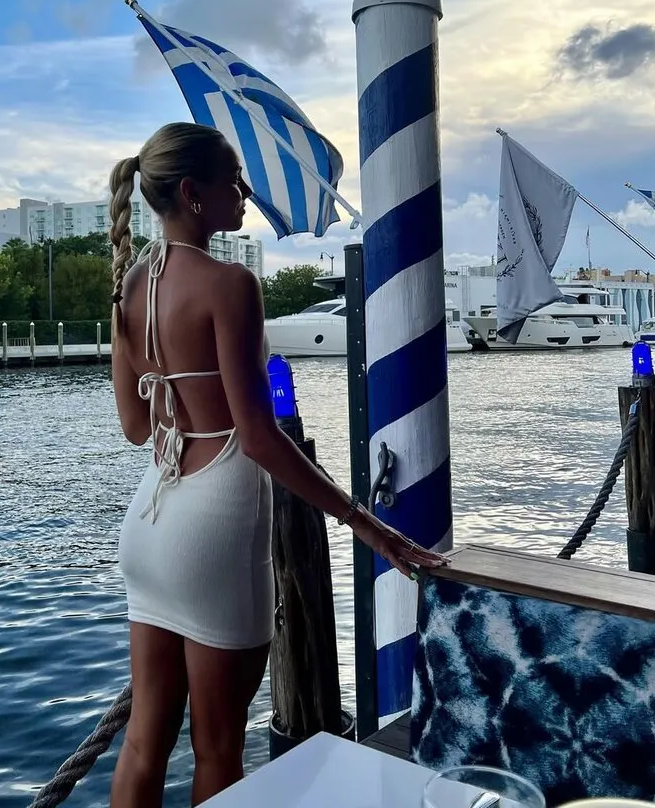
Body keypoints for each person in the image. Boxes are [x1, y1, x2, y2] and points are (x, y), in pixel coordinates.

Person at [107, 122, 447, 807]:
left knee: (144, 743)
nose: (245, 193)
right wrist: (367, 524)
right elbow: (259, 439)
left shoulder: (131, 284)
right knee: (218, 750)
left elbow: (137, 427)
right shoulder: (229, 284)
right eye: (233, 180)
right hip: (215, 529)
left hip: (149, 526)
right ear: (192, 192)